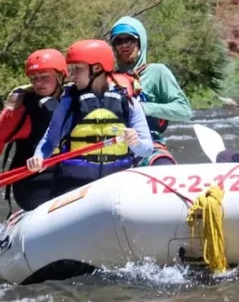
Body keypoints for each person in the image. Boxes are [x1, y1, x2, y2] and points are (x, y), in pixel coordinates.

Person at [26, 40, 154, 198]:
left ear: (97, 68)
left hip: (116, 185)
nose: (72, 75)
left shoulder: (129, 103)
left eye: (78, 69)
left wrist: (135, 143)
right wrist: (39, 158)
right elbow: (50, 141)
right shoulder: (68, 103)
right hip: (76, 186)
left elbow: (147, 149)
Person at [0, 49, 68, 210]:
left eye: (44, 77)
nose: (38, 83)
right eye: (34, 78)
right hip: (31, 181)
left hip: (65, 173)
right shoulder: (21, 109)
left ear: (60, 76)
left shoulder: (73, 100)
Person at [109, 17, 192, 166]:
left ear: (140, 43)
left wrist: (143, 108)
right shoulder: (109, 79)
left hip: (151, 146)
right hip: (116, 147)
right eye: (118, 41)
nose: (124, 45)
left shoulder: (157, 72)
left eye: (129, 39)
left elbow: (184, 111)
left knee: (163, 164)